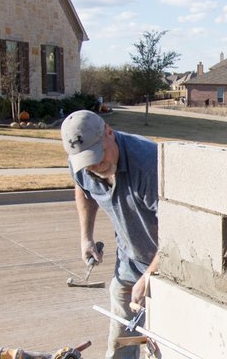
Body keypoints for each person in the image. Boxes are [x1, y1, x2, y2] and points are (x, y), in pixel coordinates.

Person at [61, 110, 159, 359]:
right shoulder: (82, 165)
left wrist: (149, 275)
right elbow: (83, 190)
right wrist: (86, 237)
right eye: (87, 161)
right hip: (129, 260)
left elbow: (178, 232)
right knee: (120, 339)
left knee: (163, 341)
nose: (96, 166)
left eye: (98, 155)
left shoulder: (149, 165)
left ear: (109, 132)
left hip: (170, 266)